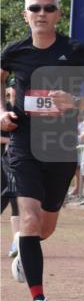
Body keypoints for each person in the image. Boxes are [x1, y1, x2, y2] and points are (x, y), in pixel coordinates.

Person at [1, 0, 84, 301]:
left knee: (43, 229)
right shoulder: (14, 52)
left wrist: (75, 102)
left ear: (59, 14)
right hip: (23, 146)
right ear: (25, 14)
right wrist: (2, 112)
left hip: (61, 150)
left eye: (48, 8)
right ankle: (39, 299)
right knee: (29, 220)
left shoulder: (76, 51)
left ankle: (24, 246)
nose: (41, 14)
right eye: (35, 8)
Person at [1, 87, 20, 260]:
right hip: (3, 161)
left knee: (16, 200)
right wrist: (13, 139)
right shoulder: (3, 109)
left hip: (17, 161)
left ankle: (17, 242)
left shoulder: (23, 110)